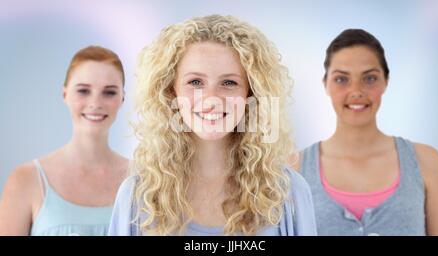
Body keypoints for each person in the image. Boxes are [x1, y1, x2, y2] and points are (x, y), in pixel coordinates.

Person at [108, 15, 317, 236]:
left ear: (251, 94)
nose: (211, 99)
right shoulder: (137, 196)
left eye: (229, 83)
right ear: (171, 92)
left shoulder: (288, 192)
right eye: (195, 82)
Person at [292, 29, 438, 235]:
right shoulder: (294, 169)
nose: (356, 91)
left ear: (386, 81)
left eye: (369, 78)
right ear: (326, 84)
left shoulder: (427, 162)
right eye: (342, 79)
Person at [0, 46, 129, 235]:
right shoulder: (26, 180)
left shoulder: (144, 178)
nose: (95, 103)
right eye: (83, 91)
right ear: (65, 94)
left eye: (109, 92)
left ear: (122, 98)